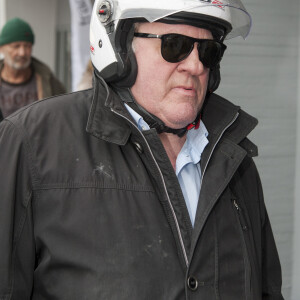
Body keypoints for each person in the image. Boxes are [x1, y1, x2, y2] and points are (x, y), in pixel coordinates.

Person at [0, 1, 284, 299]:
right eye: (176, 45)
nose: (196, 65)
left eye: (209, 50)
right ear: (119, 49)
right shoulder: (31, 144)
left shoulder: (236, 161)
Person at [0, 17, 65, 121]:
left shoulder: (46, 77)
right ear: (1, 48)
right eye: (16, 46)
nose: (22, 53)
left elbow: (64, 113)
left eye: (27, 46)